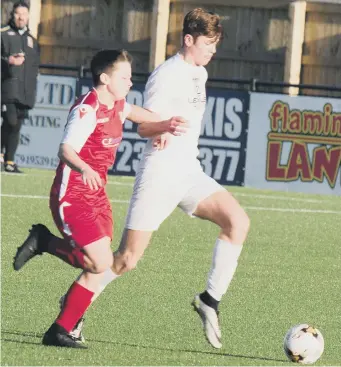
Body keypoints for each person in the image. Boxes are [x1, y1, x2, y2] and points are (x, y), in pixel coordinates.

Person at [60, 8, 251, 350]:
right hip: (160, 174)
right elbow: (143, 124)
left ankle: (210, 300)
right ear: (188, 39)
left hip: (189, 170)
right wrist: (161, 127)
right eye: (208, 43)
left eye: (216, 44)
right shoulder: (167, 74)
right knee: (126, 260)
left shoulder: (199, 74)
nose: (213, 51)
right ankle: (74, 309)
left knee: (237, 222)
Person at [13, 49, 187, 348]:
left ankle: (60, 330)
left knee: (103, 265)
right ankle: (45, 241)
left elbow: (135, 113)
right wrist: (83, 167)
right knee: (100, 261)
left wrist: (165, 124)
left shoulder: (117, 104)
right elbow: (65, 149)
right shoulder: (87, 109)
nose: (130, 82)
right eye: (125, 77)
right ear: (105, 78)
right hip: (72, 195)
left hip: (96, 195)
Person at [1, 1, 40, 173]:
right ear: (12, 15)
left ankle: (9, 161)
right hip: (7, 88)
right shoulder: (3, 33)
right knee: (10, 120)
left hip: (25, 92)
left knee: (16, 126)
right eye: (17, 14)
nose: (21, 17)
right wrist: (8, 61)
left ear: (28, 16)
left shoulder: (32, 40)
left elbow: (34, 68)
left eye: (24, 14)